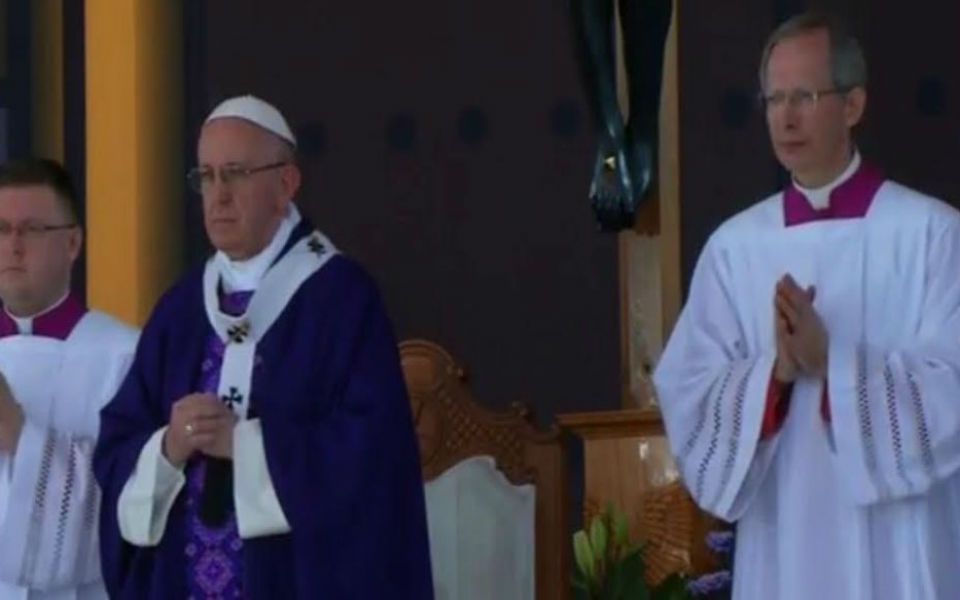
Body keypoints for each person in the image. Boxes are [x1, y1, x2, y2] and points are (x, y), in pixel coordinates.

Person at [654, 12, 960, 600]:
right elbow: (688, 390)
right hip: (783, 532)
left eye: (804, 96)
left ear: (853, 105)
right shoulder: (735, 249)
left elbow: (951, 388)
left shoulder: (931, 235)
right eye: (773, 99)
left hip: (901, 543)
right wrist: (775, 376)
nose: (785, 117)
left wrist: (834, 362)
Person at [93, 95, 433, 599]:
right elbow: (120, 441)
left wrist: (247, 448)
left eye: (235, 173)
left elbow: (371, 455)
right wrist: (168, 447)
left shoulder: (340, 299)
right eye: (206, 177)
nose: (218, 195)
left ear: (285, 184)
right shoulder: (181, 311)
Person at [0, 158, 137, 600]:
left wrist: (18, 435)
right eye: (1, 229)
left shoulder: (124, 354)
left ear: (73, 242)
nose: (13, 246)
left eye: (33, 229)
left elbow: (135, 503)